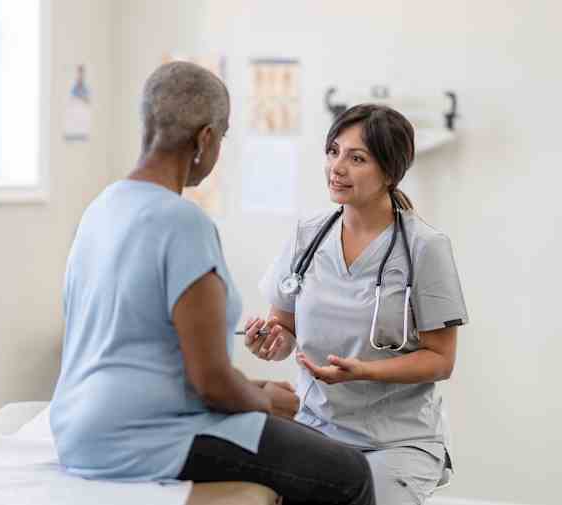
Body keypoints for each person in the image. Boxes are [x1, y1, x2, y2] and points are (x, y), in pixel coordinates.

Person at [50, 62, 375, 505]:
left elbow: (148, 350)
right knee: (349, 474)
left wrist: (253, 388)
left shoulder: (101, 209)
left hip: (77, 428)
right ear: (204, 140)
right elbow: (210, 382)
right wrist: (263, 403)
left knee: (299, 448)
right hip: (144, 437)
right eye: (221, 137)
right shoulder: (182, 222)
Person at [246, 104, 468, 505]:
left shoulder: (425, 248)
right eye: (333, 151)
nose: (337, 167)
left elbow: (440, 359)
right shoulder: (307, 236)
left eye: (357, 158)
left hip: (395, 442)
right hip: (315, 432)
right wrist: (271, 339)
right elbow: (284, 327)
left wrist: (364, 371)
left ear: (389, 172)